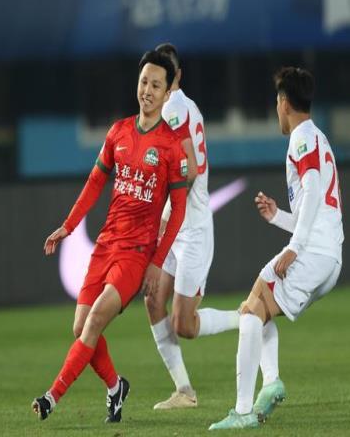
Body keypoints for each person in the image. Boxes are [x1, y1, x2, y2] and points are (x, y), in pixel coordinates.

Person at [32, 50, 189, 423]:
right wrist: (68, 226)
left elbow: (179, 210)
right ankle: (116, 387)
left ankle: (52, 397)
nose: (147, 91)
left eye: (156, 85)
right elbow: (94, 183)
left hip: (136, 253)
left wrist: (156, 262)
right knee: (80, 326)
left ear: (168, 92)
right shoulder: (118, 132)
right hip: (106, 245)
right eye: (144, 82)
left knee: (94, 320)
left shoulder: (171, 146)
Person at [209, 67, 343, 430]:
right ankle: (270, 384)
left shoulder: (302, 138)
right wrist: (278, 217)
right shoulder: (317, 137)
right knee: (254, 304)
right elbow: (316, 207)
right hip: (327, 254)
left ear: (284, 103)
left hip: (313, 252)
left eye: (276, 101)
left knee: (253, 311)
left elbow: (312, 190)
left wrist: (294, 247)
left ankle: (244, 410)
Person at [144, 43, 240, 410]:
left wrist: (164, 208)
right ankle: (184, 390)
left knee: (184, 324)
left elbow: (191, 168)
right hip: (177, 226)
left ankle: (247, 317)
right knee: (153, 299)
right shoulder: (186, 106)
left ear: (175, 75)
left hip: (192, 227)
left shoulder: (172, 108)